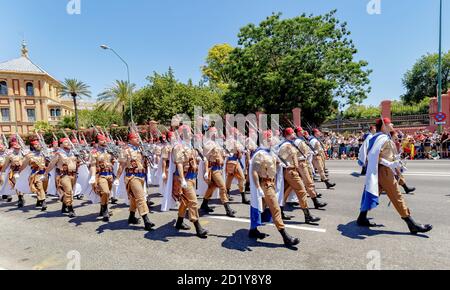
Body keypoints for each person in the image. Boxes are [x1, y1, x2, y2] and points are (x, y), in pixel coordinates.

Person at [357, 118, 432, 234]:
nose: (392, 124)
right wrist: (390, 164)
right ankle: (411, 224)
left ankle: (362, 217)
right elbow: (374, 155)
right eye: (389, 123)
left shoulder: (378, 137)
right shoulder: (382, 139)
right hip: (384, 171)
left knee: (371, 192)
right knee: (397, 196)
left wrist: (397, 166)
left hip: (381, 171)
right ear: (384, 126)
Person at [249, 130, 300, 247]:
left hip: (271, 183)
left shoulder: (270, 152)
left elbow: (275, 163)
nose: (273, 140)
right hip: (265, 185)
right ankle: (285, 237)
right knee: (275, 209)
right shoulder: (260, 154)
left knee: (259, 208)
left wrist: (280, 164)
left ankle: (253, 230)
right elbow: (254, 172)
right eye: (270, 138)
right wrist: (258, 188)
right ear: (265, 139)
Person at [171, 125, 209, 238]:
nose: (190, 133)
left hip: (192, 177)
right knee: (193, 202)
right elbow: (179, 163)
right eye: (188, 131)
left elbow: (191, 159)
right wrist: (182, 179)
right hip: (185, 178)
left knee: (185, 201)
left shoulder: (190, 145)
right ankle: (198, 227)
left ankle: (179, 222)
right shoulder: (178, 146)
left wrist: (199, 159)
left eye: (190, 131)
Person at [115, 133, 155, 231]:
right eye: (136, 138)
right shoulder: (125, 150)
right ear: (130, 140)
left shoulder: (141, 149)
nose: (138, 139)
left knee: (134, 198)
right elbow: (121, 165)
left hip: (141, 176)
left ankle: (131, 217)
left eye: (138, 138)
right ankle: (147, 221)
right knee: (141, 198)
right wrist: (117, 178)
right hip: (132, 177)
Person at [89, 134, 115, 222]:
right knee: (105, 191)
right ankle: (105, 210)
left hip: (110, 175)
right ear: (97, 142)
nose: (104, 141)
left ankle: (103, 208)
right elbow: (92, 165)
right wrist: (92, 176)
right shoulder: (94, 152)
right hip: (100, 175)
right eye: (101, 140)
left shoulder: (109, 150)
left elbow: (113, 160)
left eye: (104, 140)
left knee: (107, 194)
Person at [20, 140, 48, 211]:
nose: (38, 145)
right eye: (36, 144)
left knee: (44, 188)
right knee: (39, 187)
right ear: (32, 146)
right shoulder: (29, 155)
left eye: (38, 144)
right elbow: (24, 165)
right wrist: (19, 171)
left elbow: (49, 162)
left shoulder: (43, 153)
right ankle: (43, 202)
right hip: (36, 174)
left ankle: (39, 200)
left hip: (44, 174)